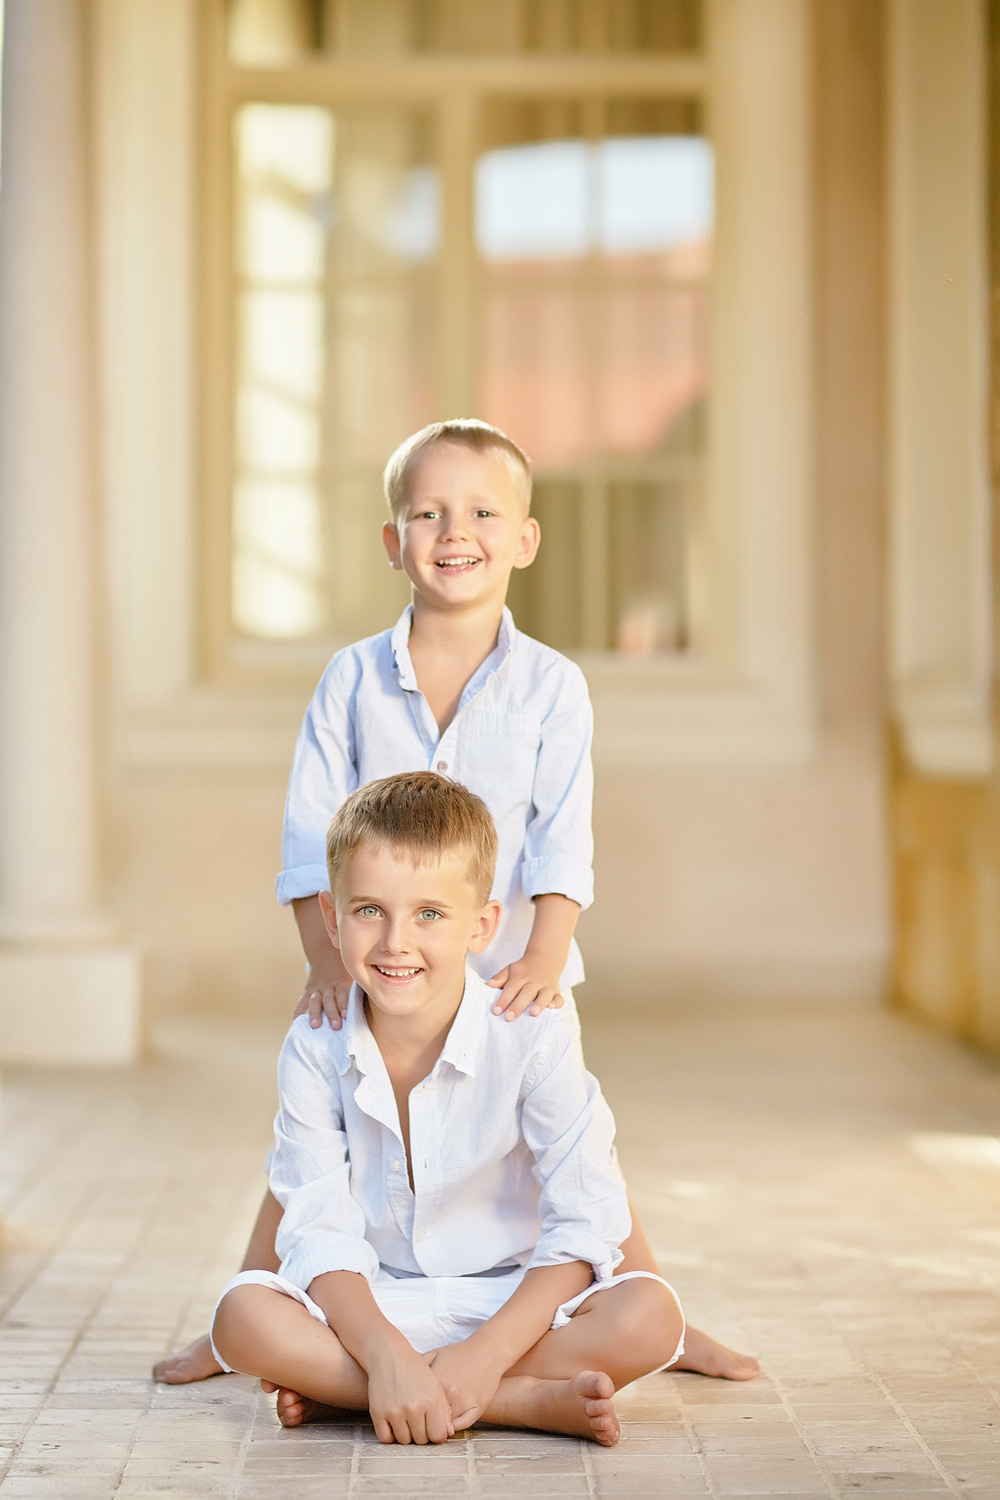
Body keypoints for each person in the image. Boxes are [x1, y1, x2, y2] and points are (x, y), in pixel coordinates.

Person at [155, 419, 758, 1385]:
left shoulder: (552, 686)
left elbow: (562, 837)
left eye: (481, 512)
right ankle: (242, 1310)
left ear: (524, 539)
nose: (454, 532)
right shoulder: (351, 681)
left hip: (513, 966)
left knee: (573, 1141)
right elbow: (309, 839)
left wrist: (544, 957)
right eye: (428, 514)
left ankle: (663, 1316)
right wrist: (326, 964)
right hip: (380, 961)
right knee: (325, 1132)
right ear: (393, 542)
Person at [212, 773, 707, 1444]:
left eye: (430, 914)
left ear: (482, 925)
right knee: (242, 1317)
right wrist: (385, 1352)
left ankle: (367, 1396)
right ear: (331, 917)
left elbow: (584, 1223)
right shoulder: (313, 1044)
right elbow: (318, 1232)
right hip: (376, 1303)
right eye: (369, 911)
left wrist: (486, 1354)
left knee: (652, 1316)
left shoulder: (534, 1033)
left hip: (513, 1301)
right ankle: (516, 1403)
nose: (396, 942)